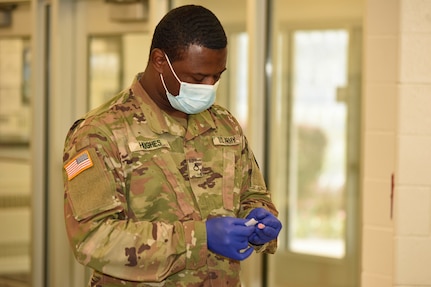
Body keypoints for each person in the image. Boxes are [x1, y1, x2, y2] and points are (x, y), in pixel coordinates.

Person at [63, 4, 281, 287]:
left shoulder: (224, 124)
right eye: (197, 77)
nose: (209, 86)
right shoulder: (99, 133)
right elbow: (92, 238)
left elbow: (252, 193)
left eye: (218, 76)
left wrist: (259, 217)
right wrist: (200, 238)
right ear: (159, 61)